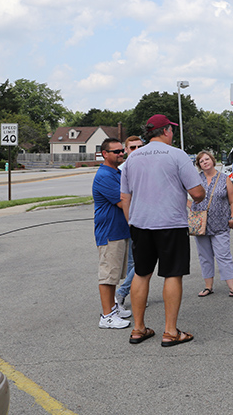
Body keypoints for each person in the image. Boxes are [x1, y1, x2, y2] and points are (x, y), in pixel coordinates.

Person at [120, 114, 205, 347]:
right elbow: (197, 193)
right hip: (170, 222)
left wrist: (132, 221)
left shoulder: (132, 158)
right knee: (172, 274)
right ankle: (170, 331)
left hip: (140, 223)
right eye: (172, 130)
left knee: (141, 273)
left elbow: (124, 196)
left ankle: (138, 329)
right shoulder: (177, 155)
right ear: (166, 130)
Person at [191, 151, 233, 299]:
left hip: (220, 223)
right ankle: (208, 286)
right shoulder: (195, 180)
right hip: (201, 225)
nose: (205, 162)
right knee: (204, 256)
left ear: (212, 160)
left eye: (207, 159)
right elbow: (184, 196)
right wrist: (192, 209)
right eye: (201, 161)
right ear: (199, 165)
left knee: (224, 255)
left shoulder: (224, 179)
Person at [92, 138, 132, 329]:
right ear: (105, 154)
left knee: (115, 275)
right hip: (109, 233)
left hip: (120, 231)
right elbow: (123, 202)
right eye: (115, 152)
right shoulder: (104, 175)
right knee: (108, 276)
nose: (120, 154)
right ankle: (107, 316)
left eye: (121, 151)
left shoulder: (117, 172)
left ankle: (113, 308)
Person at [115, 135, 143, 310]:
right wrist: (130, 221)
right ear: (126, 150)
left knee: (136, 262)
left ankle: (136, 294)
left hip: (145, 218)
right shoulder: (122, 169)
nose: (137, 151)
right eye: (132, 148)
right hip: (132, 220)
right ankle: (123, 291)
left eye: (140, 147)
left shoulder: (148, 165)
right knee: (141, 262)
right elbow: (123, 197)